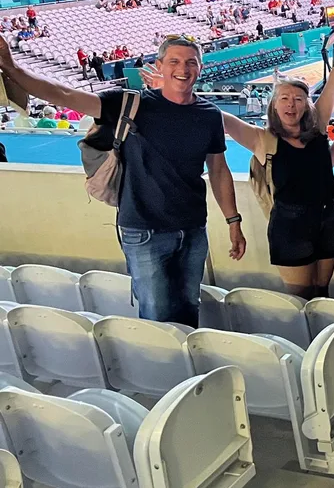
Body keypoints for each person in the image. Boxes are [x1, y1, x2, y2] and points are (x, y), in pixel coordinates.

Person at [0, 35, 245, 326]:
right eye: (175, 61)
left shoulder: (209, 115)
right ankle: (163, 369)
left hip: (193, 230)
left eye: (191, 62)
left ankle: (189, 367)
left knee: (190, 305)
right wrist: (12, 68)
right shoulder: (130, 104)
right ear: (160, 66)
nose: (184, 68)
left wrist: (234, 222)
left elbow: (218, 170)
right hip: (143, 232)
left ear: (200, 68)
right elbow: (63, 94)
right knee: (157, 314)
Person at [221, 15, 334, 297]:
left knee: (322, 292)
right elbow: (219, 117)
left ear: (307, 105)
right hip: (289, 228)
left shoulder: (319, 125)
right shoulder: (263, 139)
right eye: (284, 98)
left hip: (327, 220)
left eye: (298, 99)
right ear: (274, 105)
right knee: (300, 299)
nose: (291, 103)